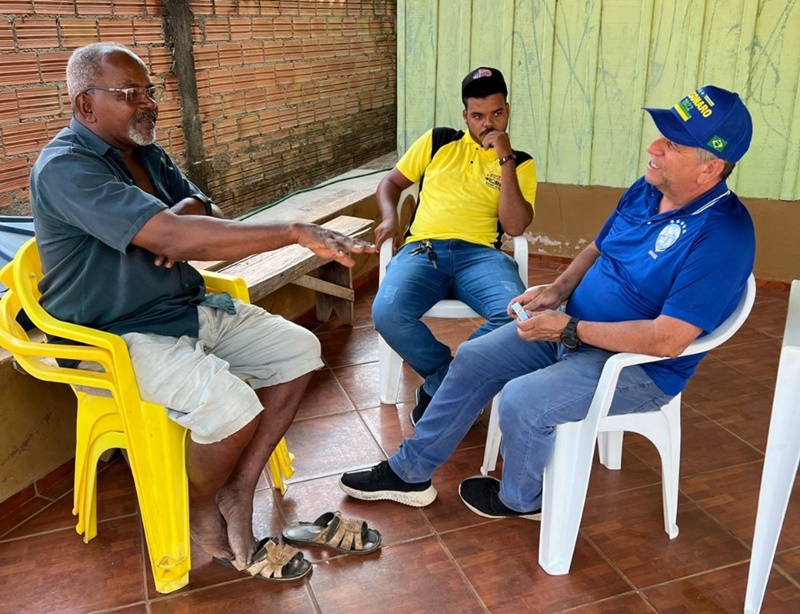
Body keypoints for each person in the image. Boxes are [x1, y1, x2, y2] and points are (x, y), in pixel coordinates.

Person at [29, 42, 376, 581]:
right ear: (86, 105)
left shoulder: (145, 153)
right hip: (115, 333)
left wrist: (178, 221)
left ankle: (238, 490)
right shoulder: (66, 168)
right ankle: (200, 513)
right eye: (130, 93)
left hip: (182, 307)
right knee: (232, 408)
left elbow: (208, 213)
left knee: (299, 350)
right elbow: (177, 236)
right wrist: (285, 230)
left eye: (149, 91)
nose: (149, 103)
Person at [340, 85, 755, 520]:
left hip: (636, 366)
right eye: (661, 135)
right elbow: (598, 247)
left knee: (522, 400)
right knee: (474, 357)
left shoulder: (722, 237)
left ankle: (522, 500)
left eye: (672, 144)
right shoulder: (648, 189)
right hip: (574, 331)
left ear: (710, 168)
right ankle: (409, 473)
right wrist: (557, 290)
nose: (654, 147)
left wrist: (569, 328)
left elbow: (667, 340)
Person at [372, 67, 537, 425]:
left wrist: (505, 158)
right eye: (478, 116)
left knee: (516, 316)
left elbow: (514, 226)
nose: (488, 124)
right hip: (423, 251)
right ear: (465, 115)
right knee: (387, 312)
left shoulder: (521, 162)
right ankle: (454, 382)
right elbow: (390, 184)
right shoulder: (437, 142)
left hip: (481, 257)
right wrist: (388, 218)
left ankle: (440, 389)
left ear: (508, 110)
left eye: (497, 113)